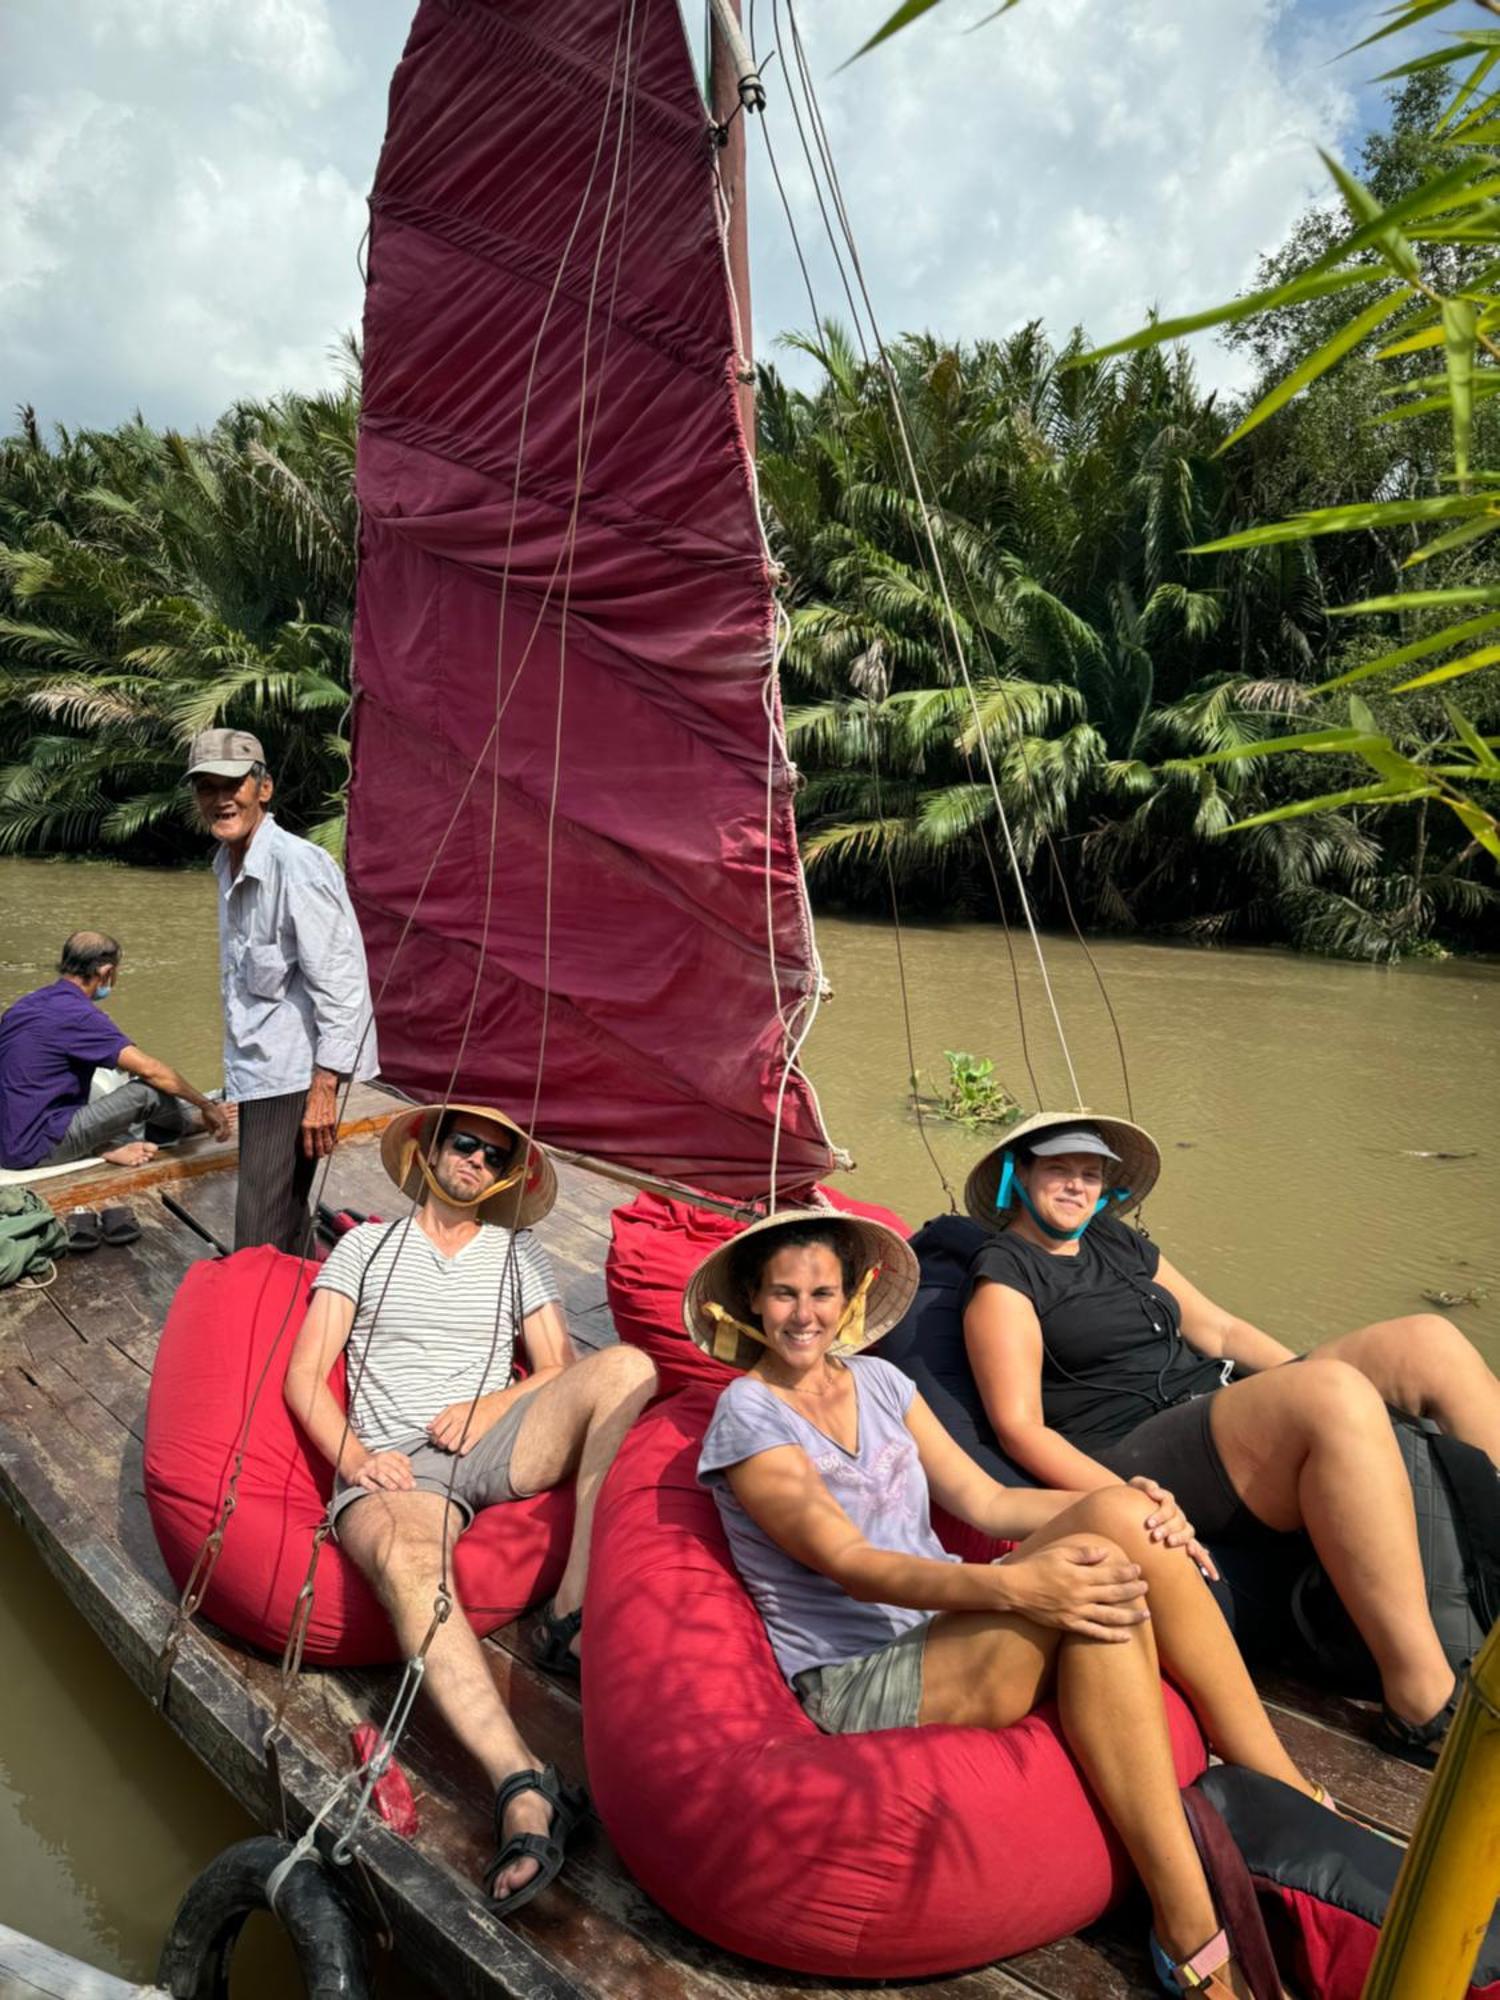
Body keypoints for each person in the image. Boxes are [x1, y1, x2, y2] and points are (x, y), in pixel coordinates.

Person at [692, 1210, 1317, 2000]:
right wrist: (1017, 1586)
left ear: (850, 1295)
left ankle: (1283, 1790)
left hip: (950, 1624)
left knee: (1118, 1531)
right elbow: (850, 1563)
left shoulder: (882, 1382)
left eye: (822, 1292)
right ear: (751, 1300)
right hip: (859, 1672)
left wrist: (1125, 1498)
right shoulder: (747, 1414)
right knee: (1091, 1596)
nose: (804, 1314)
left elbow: (985, 1502)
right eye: (783, 1295)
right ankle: (1190, 1925)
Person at [956, 1112, 1500, 1769]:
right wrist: (1124, 1498)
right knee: (1328, 1393)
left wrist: (1306, 1376)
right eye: (1058, 1170)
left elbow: (1219, 1330)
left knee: (1426, 1343)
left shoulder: (1115, 1242)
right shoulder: (1005, 1278)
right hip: (1130, 1446)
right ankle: (1421, 1699)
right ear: (1020, 1177)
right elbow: (1021, 1428)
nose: (1076, 1186)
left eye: (1090, 1175)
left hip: (1210, 1404)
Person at [283, 1101, 657, 1915]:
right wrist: (357, 1460)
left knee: (629, 1368)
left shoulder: (518, 1253)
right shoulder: (366, 1246)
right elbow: (304, 1377)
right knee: (411, 1560)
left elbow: (559, 1365)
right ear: (427, 1147)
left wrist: (490, 1406)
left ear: (508, 1175)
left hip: (495, 1439)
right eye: (466, 1144)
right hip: (401, 1463)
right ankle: (523, 1782)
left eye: (495, 1156)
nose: (477, 1162)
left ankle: (570, 1612)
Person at [188, 728, 378, 1252]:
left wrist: (324, 1089)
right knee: (286, 1215)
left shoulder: (298, 866)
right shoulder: (226, 863)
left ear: (263, 788)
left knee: (257, 1233)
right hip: (256, 1070)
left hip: (291, 1078)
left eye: (233, 784)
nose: (221, 798)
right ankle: (294, 1314)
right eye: (207, 787)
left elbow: (342, 983)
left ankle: (263, 1324)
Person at [0, 930, 232, 1171]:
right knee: (147, 1093)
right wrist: (205, 1105)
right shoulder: (80, 1016)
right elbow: (152, 1071)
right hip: (33, 1148)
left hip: (7, 1140)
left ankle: (103, 1145)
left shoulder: (26, 1005)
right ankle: (190, 1123)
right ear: (107, 972)